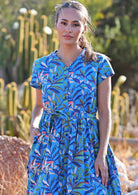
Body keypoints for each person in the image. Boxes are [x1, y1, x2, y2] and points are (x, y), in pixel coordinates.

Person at [27, 1, 121, 194]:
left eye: (75, 24)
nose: (69, 29)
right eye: (64, 22)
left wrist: (101, 154)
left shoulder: (98, 64)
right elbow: (39, 106)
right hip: (51, 146)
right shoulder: (41, 65)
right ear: (56, 25)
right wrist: (34, 124)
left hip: (87, 146)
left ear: (84, 28)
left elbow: (104, 111)